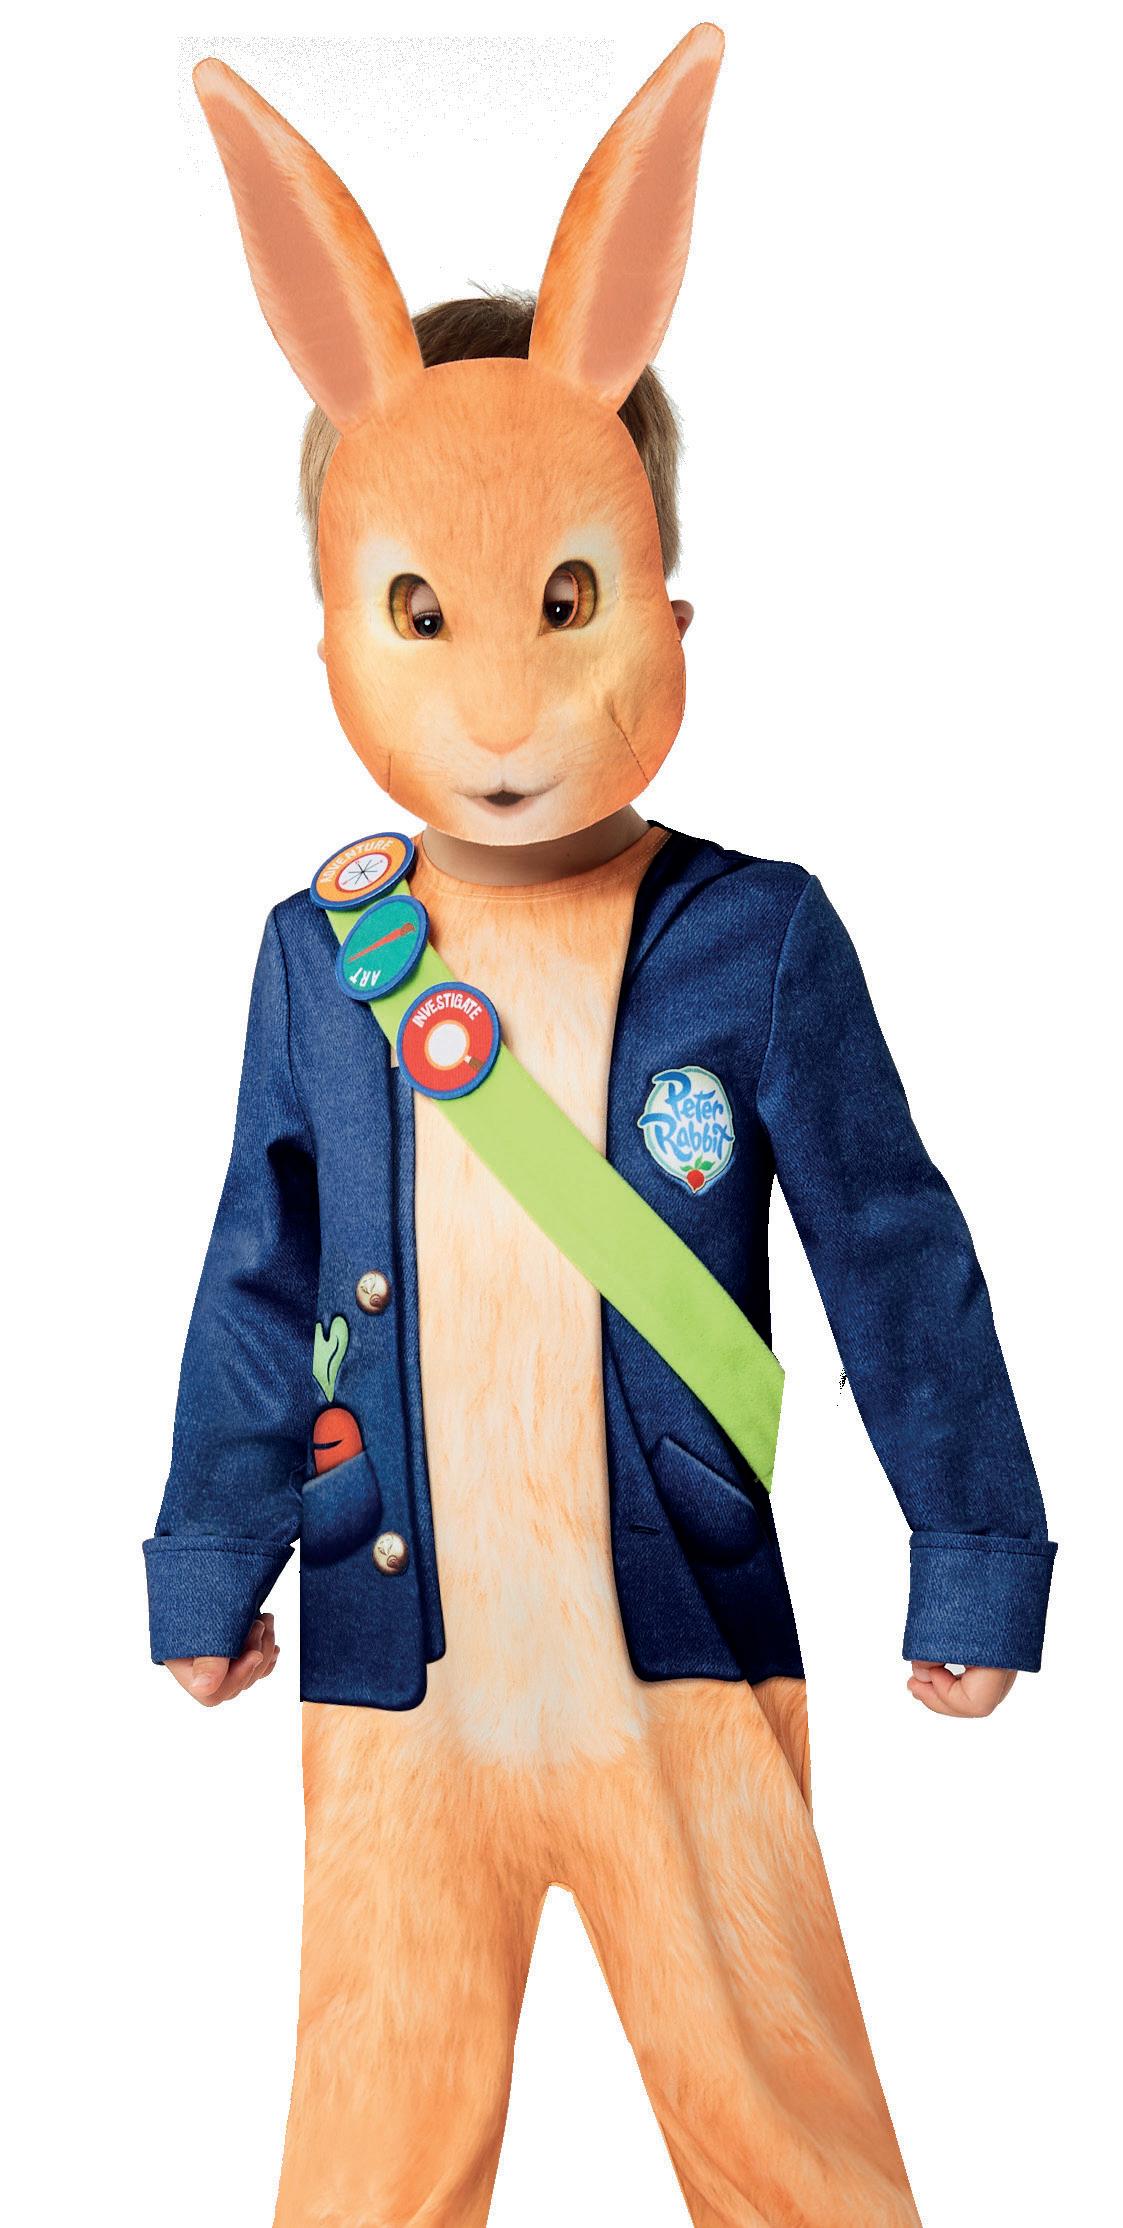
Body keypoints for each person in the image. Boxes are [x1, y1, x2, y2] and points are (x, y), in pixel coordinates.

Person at [145, 33, 1056, 2225]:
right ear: (332, 629)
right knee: (365, 2166)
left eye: (561, 600)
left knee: (794, 2156)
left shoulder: (759, 938)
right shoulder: (319, 956)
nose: (497, 697)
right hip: (395, 1680)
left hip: (688, 1657)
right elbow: (259, 1271)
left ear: (663, 602)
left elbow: (895, 1252)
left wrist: (973, 1546)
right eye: (420, 614)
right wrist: (210, 1545)